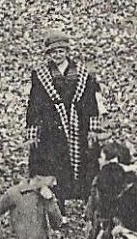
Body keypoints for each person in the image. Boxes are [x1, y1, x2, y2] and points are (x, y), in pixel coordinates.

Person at [27, 32, 105, 207]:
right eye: (53, 52)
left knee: (85, 161)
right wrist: (34, 131)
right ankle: (58, 203)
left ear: (67, 52)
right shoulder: (41, 75)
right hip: (51, 126)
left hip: (79, 123)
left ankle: (86, 200)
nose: (57, 55)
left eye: (61, 51)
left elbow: (91, 102)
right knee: (54, 163)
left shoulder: (82, 73)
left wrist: (93, 128)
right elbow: (34, 104)